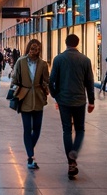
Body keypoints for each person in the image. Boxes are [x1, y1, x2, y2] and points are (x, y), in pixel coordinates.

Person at [49, 33, 95, 179]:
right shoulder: (85, 60)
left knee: (67, 130)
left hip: (64, 100)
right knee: (80, 129)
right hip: (80, 101)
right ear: (78, 43)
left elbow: (51, 81)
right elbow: (89, 82)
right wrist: (91, 101)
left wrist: (56, 96)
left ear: (65, 43)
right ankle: (75, 150)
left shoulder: (58, 59)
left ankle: (71, 163)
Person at [10, 38, 51, 169]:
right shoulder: (21, 62)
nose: (35, 51)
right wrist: (14, 92)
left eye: (38, 48)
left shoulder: (43, 64)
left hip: (38, 98)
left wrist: (46, 89)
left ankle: (29, 149)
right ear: (28, 48)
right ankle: (30, 157)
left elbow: (46, 80)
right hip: (25, 98)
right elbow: (15, 78)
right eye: (33, 48)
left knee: (37, 129)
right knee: (27, 128)